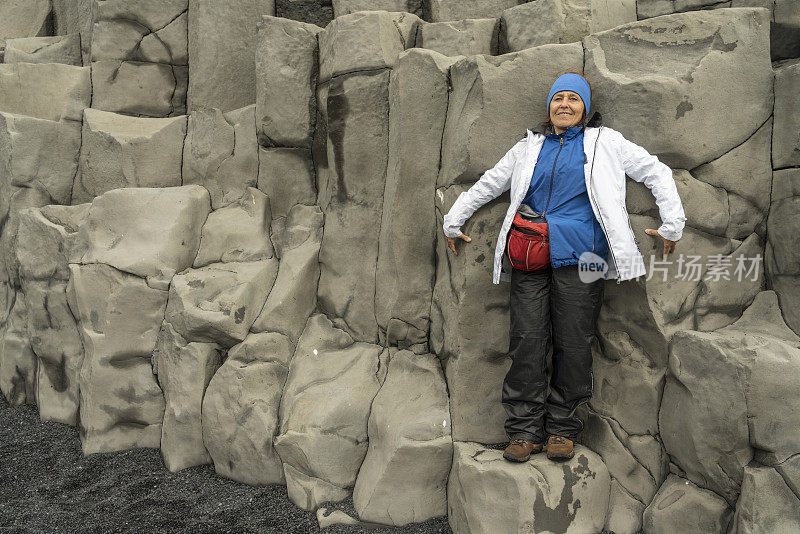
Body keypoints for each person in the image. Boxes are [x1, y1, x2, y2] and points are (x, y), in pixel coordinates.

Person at [442, 72, 686, 462]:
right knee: (526, 340)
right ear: (549, 106)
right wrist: (453, 219)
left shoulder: (605, 141)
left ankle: (562, 427)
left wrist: (672, 222)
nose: (565, 105)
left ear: (585, 109)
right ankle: (524, 430)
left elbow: (655, 171)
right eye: (559, 99)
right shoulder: (528, 145)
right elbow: (490, 182)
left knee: (574, 342)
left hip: (584, 254)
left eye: (574, 99)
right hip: (531, 252)